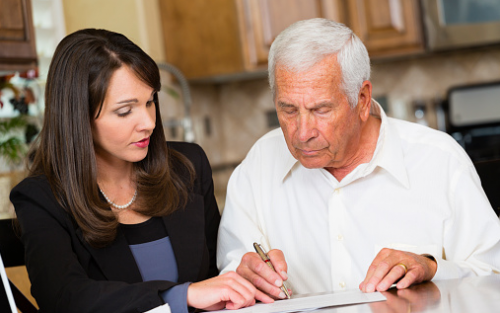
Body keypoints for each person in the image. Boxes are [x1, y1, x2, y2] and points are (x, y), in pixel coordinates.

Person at [217, 18, 500, 299]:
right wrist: (244, 278)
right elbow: (229, 281)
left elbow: (493, 275)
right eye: (288, 110)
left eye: (321, 110)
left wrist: (431, 268)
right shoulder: (259, 165)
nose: (302, 134)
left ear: (362, 99)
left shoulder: (439, 160)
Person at [10, 29, 271, 313]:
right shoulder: (40, 198)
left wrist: (241, 274)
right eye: (125, 111)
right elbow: (64, 298)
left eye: (150, 102)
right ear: (78, 117)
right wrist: (180, 296)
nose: (147, 122)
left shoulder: (188, 167)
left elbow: (214, 275)